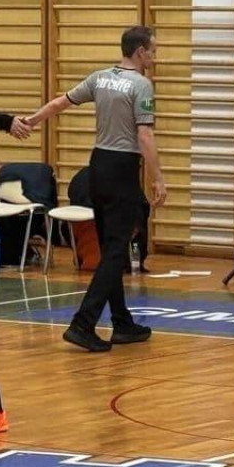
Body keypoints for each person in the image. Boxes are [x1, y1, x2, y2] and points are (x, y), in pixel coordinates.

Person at [25, 26, 167, 352]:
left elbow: (60, 103)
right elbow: (144, 135)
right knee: (116, 251)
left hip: (97, 167)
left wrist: (31, 121)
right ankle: (83, 323)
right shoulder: (141, 85)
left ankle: (122, 322)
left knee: (109, 249)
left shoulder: (100, 78)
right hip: (122, 168)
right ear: (140, 51)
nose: (154, 57)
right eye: (153, 51)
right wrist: (158, 177)